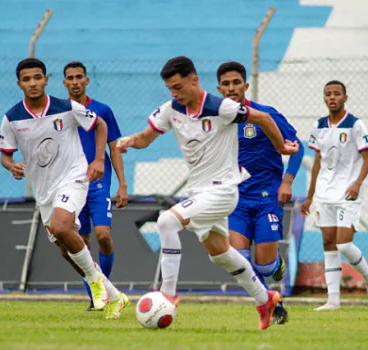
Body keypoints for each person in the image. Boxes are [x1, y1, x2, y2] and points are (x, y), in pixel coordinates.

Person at [116, 56, 299, 330]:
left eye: (178, 86)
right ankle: (265, 300)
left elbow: (262, 117)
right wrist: (131, 140)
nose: (174, 93)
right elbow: (145, 138)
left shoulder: (220, 107)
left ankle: (168, 294)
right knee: (221, 254)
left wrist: (282, 148)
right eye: (170, 89)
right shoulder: (171, 109)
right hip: (200, 192)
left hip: (223, 191)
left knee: (167, 221)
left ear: (194, 80)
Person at [0, 58, 127, 319]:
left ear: (46, 80)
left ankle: (94, 280)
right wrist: (11, 165)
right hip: (44, 189)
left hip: (74, 178)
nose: (33, 83)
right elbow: (5, 154)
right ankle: (114, 295)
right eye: (27, 79)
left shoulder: (67, 108)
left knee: (61, 227)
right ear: (19, 84)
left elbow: (100, 124)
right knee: (64, 247)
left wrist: (99, 159)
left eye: (37, 78)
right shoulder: (12, 118)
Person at [216, 61, 304, 324]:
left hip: (267, 196)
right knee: (238, 259)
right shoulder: (217, 120)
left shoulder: (265, 115)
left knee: (265, 266)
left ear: (246, 85)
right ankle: (272, 305)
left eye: (236, 82)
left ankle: (276, 266)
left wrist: (287, 181)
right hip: (236, 199)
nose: (231, 88)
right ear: (219, 88)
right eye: (226, 84)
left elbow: (296, 147)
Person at [299, 80, 368, 311]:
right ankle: (333, 300)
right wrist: (309, 196)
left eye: (337, 94)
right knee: (328, 244)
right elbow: (317, 163)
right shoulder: (318, 126)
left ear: (345, 97)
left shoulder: (356, 125)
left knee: (344, 244)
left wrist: (357, 184)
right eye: (328, 94)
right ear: (324, 98)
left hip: (348, 192)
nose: (332, 97)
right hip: (324, 193)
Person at [62, 61, 129, 311]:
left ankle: (105, 284)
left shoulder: (102, 110)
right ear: (65, 83)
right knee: (80, 241)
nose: (76, 81)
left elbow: (115, 147)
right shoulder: (59, 112)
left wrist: (122, 185)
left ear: (87, 80)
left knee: (103, 235)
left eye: (80, 77)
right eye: (71, 78)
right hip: (70, 183)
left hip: (99, 182)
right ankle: (95, 290)